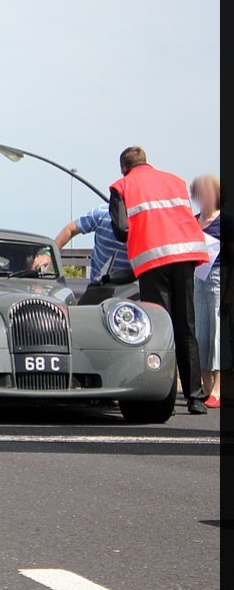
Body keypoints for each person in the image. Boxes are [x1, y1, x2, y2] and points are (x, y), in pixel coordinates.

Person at [110, 146, 211, 414]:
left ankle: (163, 394)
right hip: (185, 256)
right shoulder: (175, 181)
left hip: (153, 260)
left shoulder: (122, 185)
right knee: (185, 326)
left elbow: (121, 230)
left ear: (123, 167)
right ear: (147, 162)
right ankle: (195, 397)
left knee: (160, 329)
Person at [191, 174, 221, 408]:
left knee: (217, 331)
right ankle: (206, 384)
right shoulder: (192, 220)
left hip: (219, 279)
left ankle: (218, 389)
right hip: (197, 278)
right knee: (198, 330)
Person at [54, 203, 132, 283]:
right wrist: (49, 255)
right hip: (99, 286)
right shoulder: (101, 213)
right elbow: (70, 229)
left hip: (132, 288)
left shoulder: (143, 220)